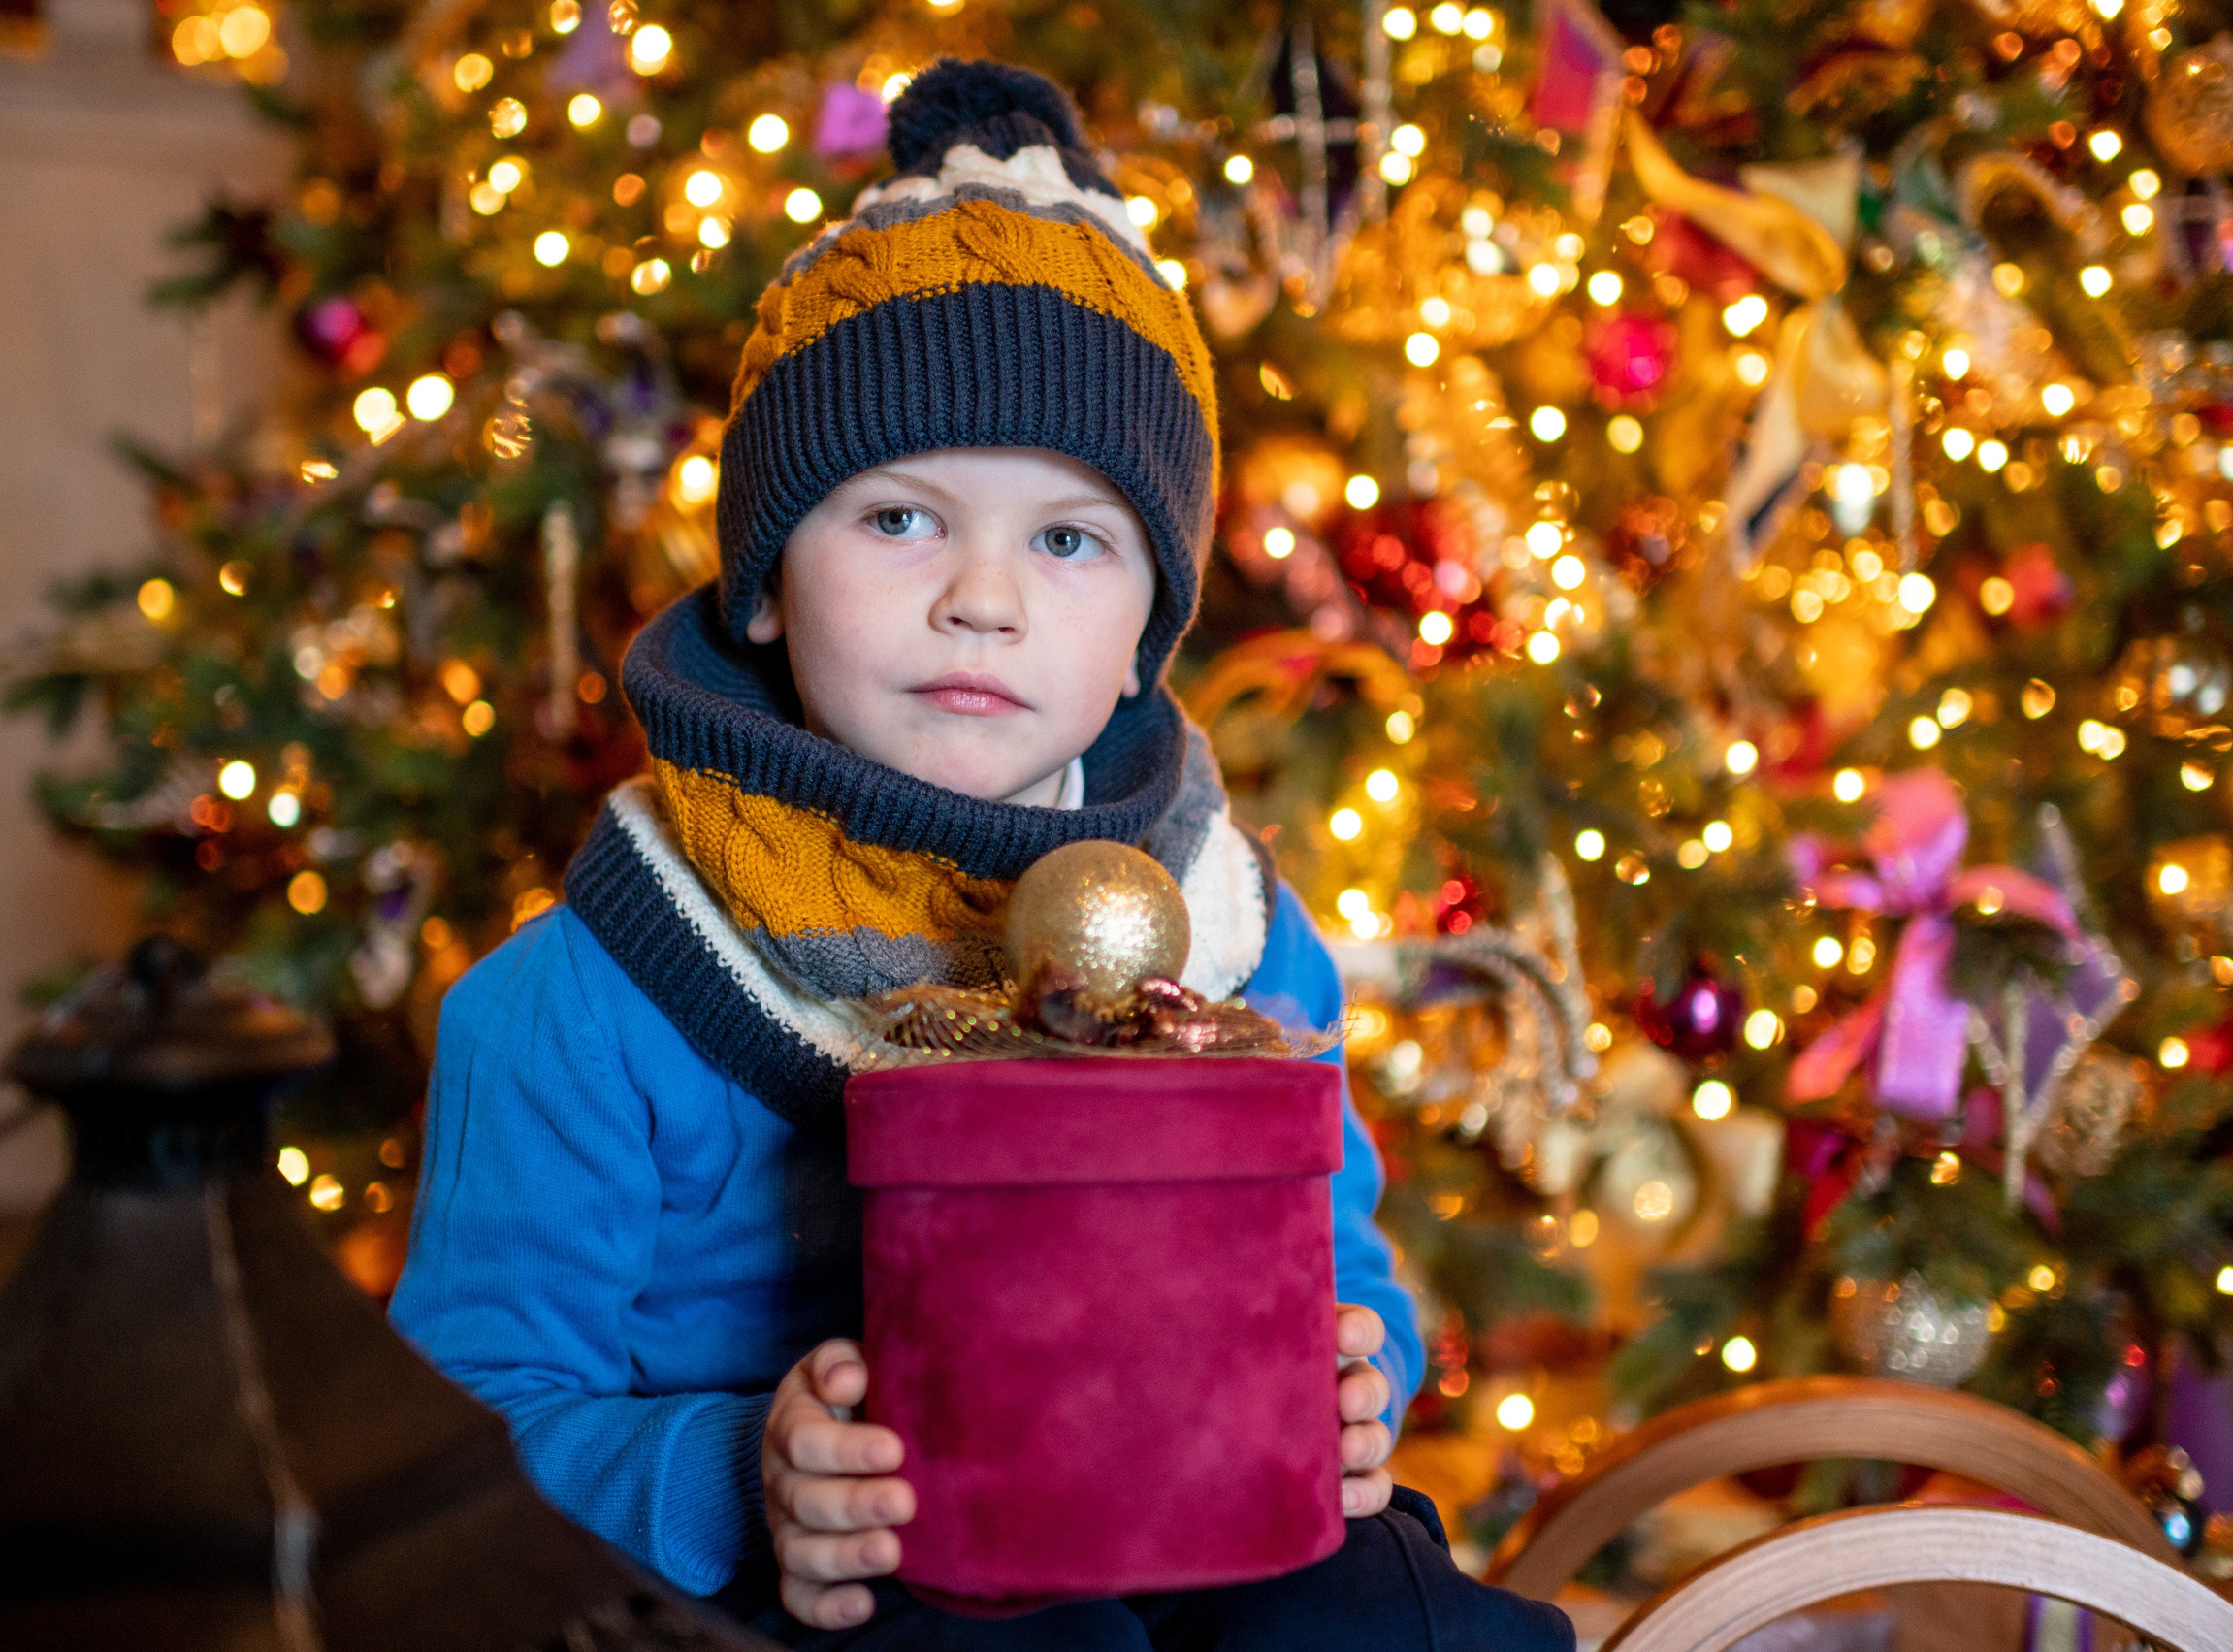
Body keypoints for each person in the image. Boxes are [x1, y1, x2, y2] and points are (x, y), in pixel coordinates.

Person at [389, 56, 1572, 1652]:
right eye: (898, 519)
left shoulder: (1230, 935)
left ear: (1151, 623)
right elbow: (470, 1424)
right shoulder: (585, 996)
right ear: (760, 581)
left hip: (1194, 1501)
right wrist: (739, 1474)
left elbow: (1340, 1260)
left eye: (1070, 539)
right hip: (818, 1581)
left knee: (1395, 1609)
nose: (983, 599)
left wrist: (1359, 1370)